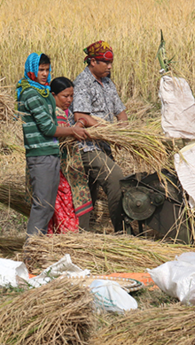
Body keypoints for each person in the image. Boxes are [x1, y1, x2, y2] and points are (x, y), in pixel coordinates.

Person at [17, 53, 88, 237]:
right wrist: (73, 131)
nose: (44, 73)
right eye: (40, 70)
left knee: (48, 206)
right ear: (31, 70)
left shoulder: (43, 92)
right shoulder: (31, 94)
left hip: (51, 152)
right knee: (42, 205)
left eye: (47, 70)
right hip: (40, 155)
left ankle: (41, 246)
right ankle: (31, 248)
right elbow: (48, 128)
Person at [71, 40, 127, 232]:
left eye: (111, 62)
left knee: (89, 189)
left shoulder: (108, 82)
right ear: (93, 62)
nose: (110, 66)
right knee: (116, 179)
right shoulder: (83, 83)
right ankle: (121, 231)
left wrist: (124, 129)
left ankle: (84, 232)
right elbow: (81, 117)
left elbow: (120, 110)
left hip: (104, 145)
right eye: (106, 62)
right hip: (87, 146)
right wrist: (110, 132)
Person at [47, 77, 93, 234]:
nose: (69, 100)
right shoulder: (54, 113)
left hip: (61, 171)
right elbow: (62, 136)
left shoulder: (60, 112)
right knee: (63, 208)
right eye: (65, 96)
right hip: (59, 172)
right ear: (53, 95)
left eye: (71, 96)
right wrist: (79, 125)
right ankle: (67, 240)